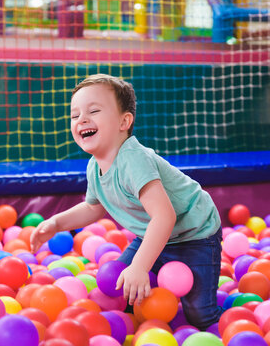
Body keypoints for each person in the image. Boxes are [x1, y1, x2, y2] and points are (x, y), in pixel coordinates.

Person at [30, 74, 222, 330]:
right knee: (121, 291)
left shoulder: (133, 159)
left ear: (124, 121)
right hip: (153, 234)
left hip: (194, 234)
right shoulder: (94, 166)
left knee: (199, 315)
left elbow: (165, 216)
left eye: (94, 110)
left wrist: (140, 266)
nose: (82, 119)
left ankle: (225, 322)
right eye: (75, 115)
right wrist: (56, 223)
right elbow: (93, 207)